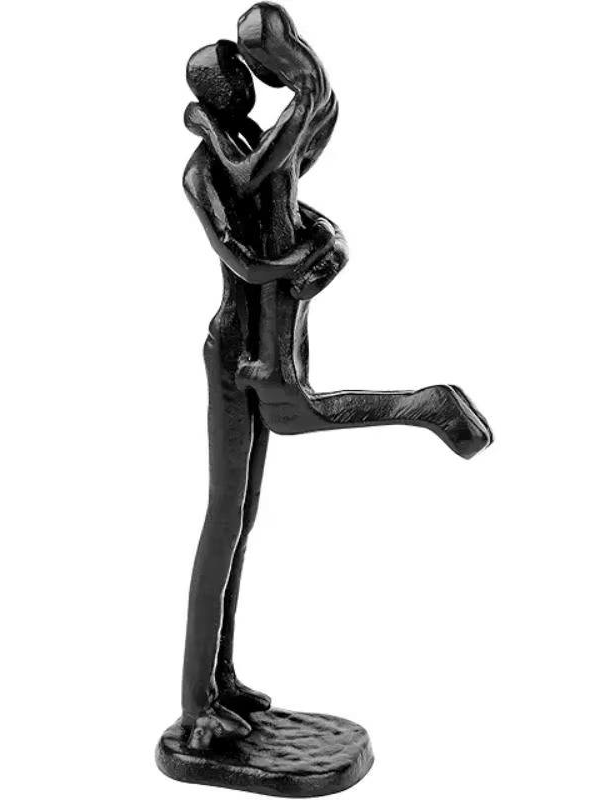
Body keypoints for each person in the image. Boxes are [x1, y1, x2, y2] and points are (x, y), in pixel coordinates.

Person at [181, 2, 492, 750]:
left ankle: (222, 680)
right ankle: (195, 706)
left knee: (244, 520)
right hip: (235, 350)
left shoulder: (249, 147)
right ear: (222, 93)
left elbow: (294, 191)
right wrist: (303, 261)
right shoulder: (205, 168)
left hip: (272, 335)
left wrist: (327, 244)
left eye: (243, 76)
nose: (244, 87)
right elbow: (244, 259)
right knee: (227, 513)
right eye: (234, 79)